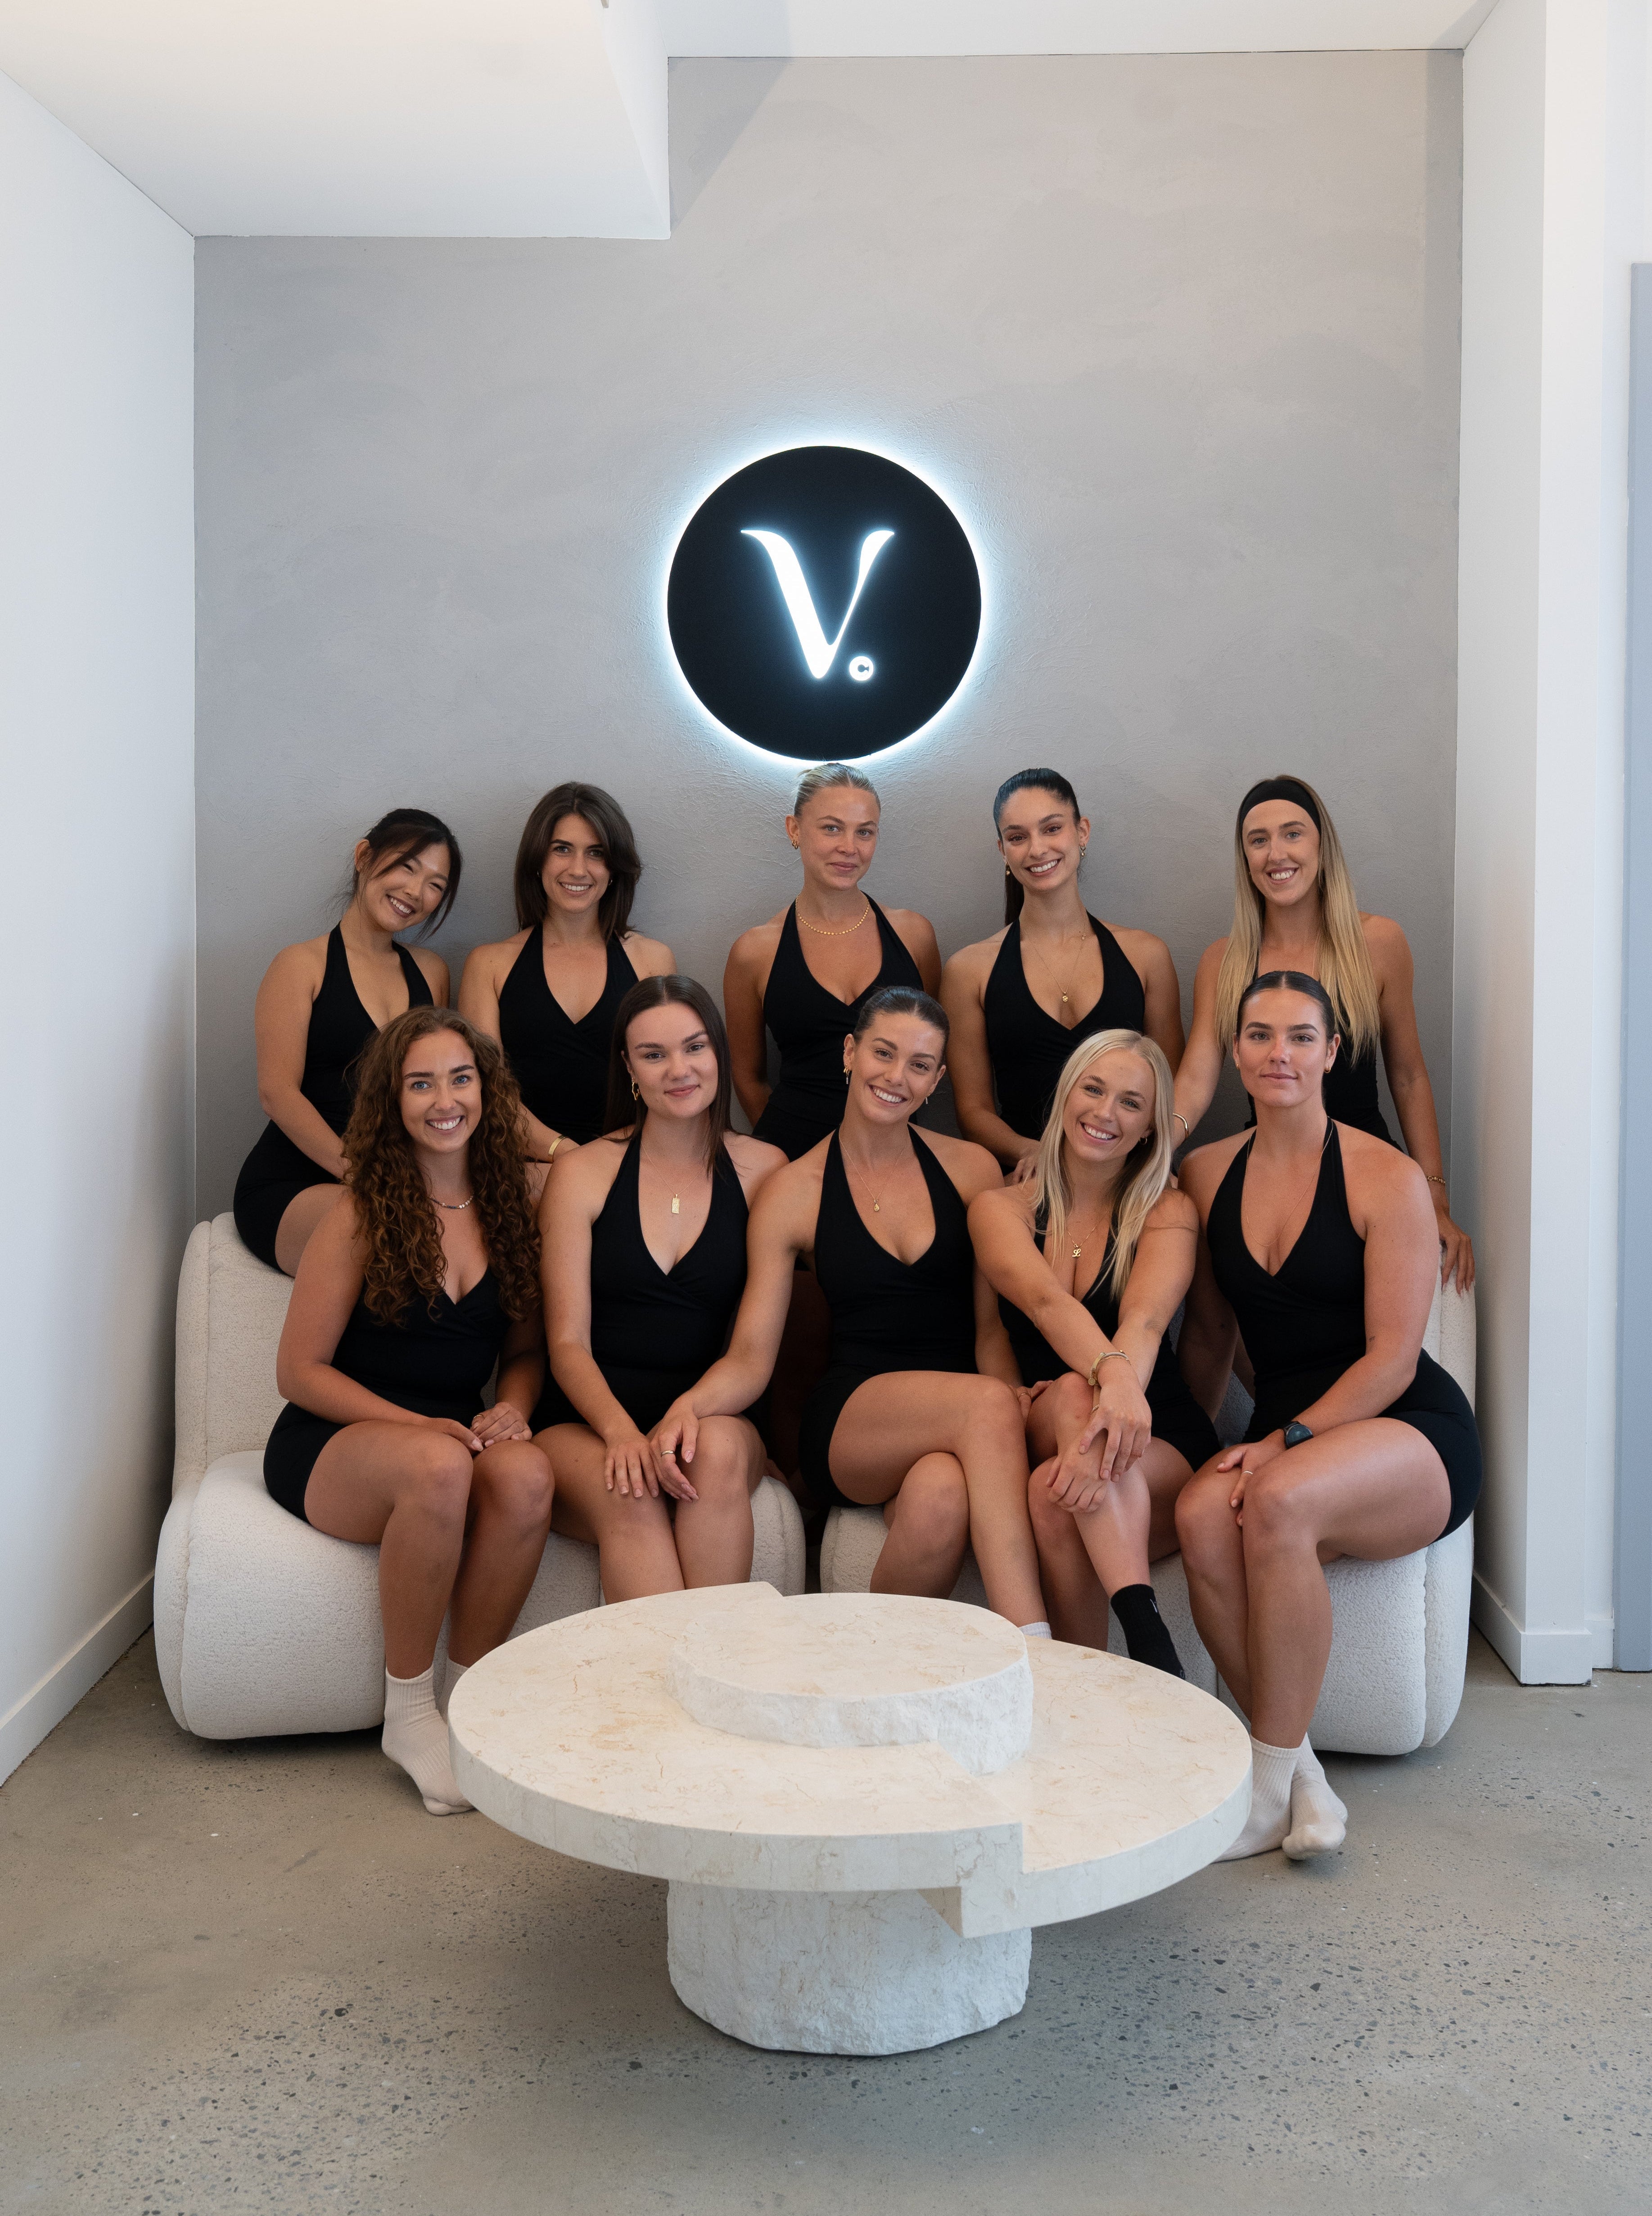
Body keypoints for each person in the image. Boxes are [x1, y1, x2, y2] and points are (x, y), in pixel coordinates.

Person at [1174, 972, 1481, 1861]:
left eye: (1300, 1037)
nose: (1280, 1053)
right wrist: (1195, 1446)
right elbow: (1207, 1334)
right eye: (1261, 1035)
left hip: (1405, 1429)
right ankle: (1302, 1776)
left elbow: (1390, 1355)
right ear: (1234, 1051)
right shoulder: (1204, 1172)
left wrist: (1277, 1442)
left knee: (1275, 1501)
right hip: (1288, 1434)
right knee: (1198, 1509)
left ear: (1331, 1053)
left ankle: (1264, 1791)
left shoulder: (1384, 1175)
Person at [650, 988, 1049, 1631]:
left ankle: (860, 1665)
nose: (896, 1076)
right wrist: (690, 1405)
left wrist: (1010, 1404)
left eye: (919, 1065)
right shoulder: (794, 1191)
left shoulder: (973, 1169)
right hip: (853, 1417)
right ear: (849, 1051)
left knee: (941, 1498)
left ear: (937, 1080)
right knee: (986, 1403)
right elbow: (752, 1355)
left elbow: (988, 1327)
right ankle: (1038, 1648)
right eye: (883, 1053)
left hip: (962, 1413)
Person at [264, 1009, 553, 1817]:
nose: (443, 1099)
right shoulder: (358, 1212)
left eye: (460, 1078)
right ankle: (411, 1714)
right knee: (437, 1465)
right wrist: (416, 1426)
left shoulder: (510, 1210)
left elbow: (526, 1354)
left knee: (529, 1476)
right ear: (392, 1103)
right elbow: (299, 1372)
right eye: (419, 1083)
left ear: (487, 1093)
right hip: (334, 1442)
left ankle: (469, 1698)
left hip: (454, 1437)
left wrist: (512, 1408)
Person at [970, 1030, 1216, 1673]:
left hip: (1151, 1430)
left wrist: (1120, 1394)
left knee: (1057, 1497)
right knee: (1073, 1394)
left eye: (1131, 1103)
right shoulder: (999, 1207)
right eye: (1094, 1088)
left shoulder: (1169, 1209)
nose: (1106, 1112)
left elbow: (1146, 1317)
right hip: (1040, 1415)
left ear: (1149, 1129)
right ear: (1064, 1095)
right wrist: (1105, 1382)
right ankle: (1149, 1643)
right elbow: (1039, 1305)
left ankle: (1084, 1686)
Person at [533, 977, 786, 1599]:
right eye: (654, 1054)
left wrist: (690, 1408)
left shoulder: (764, 1170)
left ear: (718, 1054)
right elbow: (566, 1342)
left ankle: (711, 1683)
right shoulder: (581, 1172)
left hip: (713, 1411)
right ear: (629, 1067)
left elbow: (753, 1354)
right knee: (633, 1493)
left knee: (718, 1450)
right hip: (587, 1422)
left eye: (694, 1047)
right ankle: (658, 1693)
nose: (679, 1069)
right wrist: (621, 1431)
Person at [1174, 773, 1474, 1289]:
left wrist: (1434, 1196)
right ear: (1245, 858)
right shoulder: (1223, 961)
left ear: (1321, 846)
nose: (1276, 854)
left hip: (1369, 1173)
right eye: (1258, 839)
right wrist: (1149, 1157)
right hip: (1270, 1173)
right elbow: (1196, 1080)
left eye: (1292, 834)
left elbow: (1407, 1076)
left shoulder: (1377, 942)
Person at [233, 808, 458, 1275]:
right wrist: (369, 1178)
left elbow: (434, 1089)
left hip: (391, 1179)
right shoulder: (301, 965)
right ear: (364, 856)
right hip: (293, 1183)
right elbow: (277, 1093)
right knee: (387, 1230)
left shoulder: (432, 973)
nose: (416, 892)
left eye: (436, 885)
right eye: (407, 866)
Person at [942, 769, 1184, 1178]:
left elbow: (1169, 1090)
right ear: (1003, 849)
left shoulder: (1146, 955)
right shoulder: (969, 970)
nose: (1038, 849)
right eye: (1018, 837)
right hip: (1029, 1182)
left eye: (1052, 828)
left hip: (1132, 1180)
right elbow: (973, 1111)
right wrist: (1041, 1156)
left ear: (1082, 831)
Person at [724, 762, 942, 1160]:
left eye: (865, 832)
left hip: (894, 1153)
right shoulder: (755, 951)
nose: (849, 847)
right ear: (794, 829)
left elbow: (932, 1053)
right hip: (788, 1152)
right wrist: (781, 1158)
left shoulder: (914, 936)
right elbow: (748, 1077)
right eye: (831, 828)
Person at [460, 782, 674, 1161]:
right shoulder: (489, 965)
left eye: (596, 853)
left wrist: (606, 1161)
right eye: (562, 849)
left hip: (627, 1162)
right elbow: (488, 1092)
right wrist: (564, 1154)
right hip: (520, 1170)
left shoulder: (653, 961)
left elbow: (665, 1081)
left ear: (614, 867)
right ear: (538, 860)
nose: (578, 869)